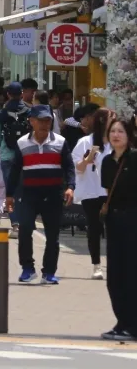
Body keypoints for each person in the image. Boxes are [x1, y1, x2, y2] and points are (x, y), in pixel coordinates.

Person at [6, 105, 75, 285]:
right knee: (25, 230)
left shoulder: (60, 142)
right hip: (29, 194)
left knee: (53, 236)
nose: (45, 124)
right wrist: (9, 194)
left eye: (48, 121)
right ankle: (27, 268)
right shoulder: (22, 143)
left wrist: (71, 187)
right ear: (32, 121)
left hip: (53, 195)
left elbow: (69, 167)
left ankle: (49, 272)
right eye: (41, 120)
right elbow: (15, 170)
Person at [100, 118, 137, 340]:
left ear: (129, 134)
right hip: (114, 222)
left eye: (120, 131)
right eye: (112, 131)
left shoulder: (134, 158)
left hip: (133, 220)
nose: (116, 135)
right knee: (115, 275)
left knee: (131, 274)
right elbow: (107, 191)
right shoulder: (107, 161)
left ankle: (132, 324)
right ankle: (122, 321)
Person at [73, 108, 113, 280]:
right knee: (94, 228)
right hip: (91, 191)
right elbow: (77, 168)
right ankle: (96, 265)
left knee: (115, 229)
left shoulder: (116, 141)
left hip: (111, 192)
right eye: (112, 119)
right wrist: (88, 159)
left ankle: (114, 264)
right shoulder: (84, 142)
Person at [0, 82, 30, 236]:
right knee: (26, 191)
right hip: (27, 155)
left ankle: (16, 225)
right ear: (22, 93)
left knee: (12, 192)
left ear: (8, 94)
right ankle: (26, 222)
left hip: (7, 156)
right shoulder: (30, 111)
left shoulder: (1, 114)